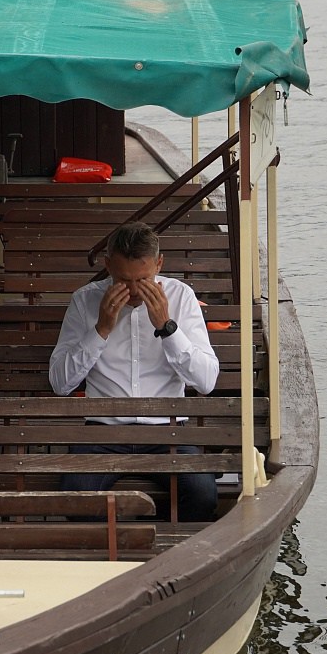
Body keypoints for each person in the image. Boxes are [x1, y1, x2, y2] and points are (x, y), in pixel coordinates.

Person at [48, 222, 220, 522]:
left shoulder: (181, 297)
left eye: (143, 279)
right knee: (76, 495)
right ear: (107, 266)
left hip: (169, 430)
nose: (133, 290)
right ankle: (114, 549)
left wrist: (168, 327)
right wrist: (100, 329)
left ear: (159, 264)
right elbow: (60, 384)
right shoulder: (85, 300)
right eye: (122, 280)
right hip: (103, 430)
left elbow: (206, 381)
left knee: (202, 494)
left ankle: (149, 539)